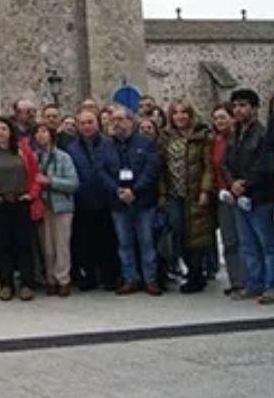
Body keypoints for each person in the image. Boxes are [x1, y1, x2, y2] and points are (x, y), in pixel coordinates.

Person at [0, 117, 43, 301]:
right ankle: (5, 284)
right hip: (0, 204)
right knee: (2, 245)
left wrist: (32, 194)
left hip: (21, 202)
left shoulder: (23, 150)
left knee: (24, 244)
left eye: (4, 128)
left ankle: (27, 284)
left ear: (10, 131)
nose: (0, 133)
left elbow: (36, 174)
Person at [100, 105, 162, 296]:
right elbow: (100, 171)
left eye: (120, 119)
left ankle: (150, 279)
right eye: (113, 120)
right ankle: (130, 278)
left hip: (142, 201)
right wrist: (117, 190)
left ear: (131, 121)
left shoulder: (145, 143)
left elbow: (151, 170)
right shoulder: (105, 145)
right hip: (118, 202)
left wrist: (134, 190)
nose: (116, 123)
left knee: (146, 241)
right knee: (124, 243)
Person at [221, 88, 274, 304]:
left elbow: (263, 165)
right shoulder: (235, 135)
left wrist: (245, 184)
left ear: (254, 108)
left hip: (259, 196)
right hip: (239, 198)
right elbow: (225, 162)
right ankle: (254, 283)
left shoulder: (262, 134)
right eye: (235, 106)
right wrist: (232, 182)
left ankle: (271, 285)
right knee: (248, 244)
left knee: (267, 244)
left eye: (243, 105)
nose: (238, 109)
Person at [159, 100, 215, 294]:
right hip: (175, 194)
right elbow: (162, 168)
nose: (180, 116)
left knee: (197, 235)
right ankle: (189, 269)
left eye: (184, 113)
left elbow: (208, 166)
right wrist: (162, 193)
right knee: (178, 230)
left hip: (195, 192)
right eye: (176, 113)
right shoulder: (165, 137)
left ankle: (197, 274)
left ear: (190, 115)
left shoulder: (202, 136)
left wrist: (205, 190)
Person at [68, 108, 118, 291]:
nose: (87, 126)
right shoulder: (72, 148)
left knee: (108, 241)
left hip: (106, 199)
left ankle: (109, 276)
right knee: (85, 242)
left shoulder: (109, 144)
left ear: (97, 123)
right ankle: (90, 276)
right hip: (83, 201)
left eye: (90, 122)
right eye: (83, 123)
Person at [34, 124, 79, 296]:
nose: (40, 135)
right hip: (42, 207)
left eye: (44, 132)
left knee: (62, 245)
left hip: (61, 206)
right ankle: (50, 279)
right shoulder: (34, 157)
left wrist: (50, 181)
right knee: (47, 246)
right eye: (37, 132)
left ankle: (63, 279)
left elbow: (73, 183)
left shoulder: (63, 157)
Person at [209, 103, 245, 295]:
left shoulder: (239, 139)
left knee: (246, 240)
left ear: (232, 118)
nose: (219, 121)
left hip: (240, 194)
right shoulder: (215, 141)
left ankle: (250, 279)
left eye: (223, 117)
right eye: (216, 118)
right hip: (222, 195)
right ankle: (236, 281)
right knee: (229, 241)